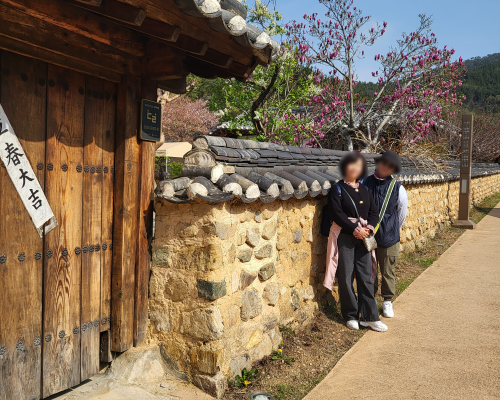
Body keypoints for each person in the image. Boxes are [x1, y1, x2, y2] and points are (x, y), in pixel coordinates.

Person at [325, 151, 388, 332]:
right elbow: (336, 213)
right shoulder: (337, 189)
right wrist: (355, 229)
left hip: (364, 238)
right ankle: (351, 314)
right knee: (345, 277)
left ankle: (369, 316)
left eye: (358, 165)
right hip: (345, 236)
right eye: (351, 164)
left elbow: (374, 213)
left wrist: (370, 228)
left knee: (366, 276)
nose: (354, 168)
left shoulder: (365, 189)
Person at [362, 151, 408, 318]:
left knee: (388, 270)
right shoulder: (364, 183)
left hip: (390, 237)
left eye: (390, 166)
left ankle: (387, 301)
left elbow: (401, 213)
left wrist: (392, 228)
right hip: (369, 236)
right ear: (378, 162)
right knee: (369, 270)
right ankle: (371, 300)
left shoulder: (398, 188)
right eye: (383, 163)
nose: (385, 167)